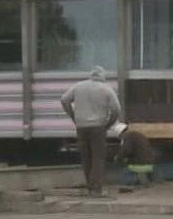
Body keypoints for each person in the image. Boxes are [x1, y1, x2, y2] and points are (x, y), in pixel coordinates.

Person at [60, 66, 123, 196]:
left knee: (86, 157)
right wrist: (108, 124)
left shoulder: (78, 86)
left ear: (90, 75)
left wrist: (73, 116)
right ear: (103, 76)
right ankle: (96, 189)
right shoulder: (106, 89)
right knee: (98, 158)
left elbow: (64, 100)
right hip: (98, 127)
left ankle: (90, 187)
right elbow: (116, 110)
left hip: (81, 127)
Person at [115, 122, 157, 188]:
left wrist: (118, 157)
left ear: (120, 134)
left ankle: (137, 179)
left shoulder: (127, 137)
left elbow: (126, 151)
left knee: (122, 178)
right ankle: (146, 177)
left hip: (140, 165)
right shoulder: (138, 135)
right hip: (150, 164)